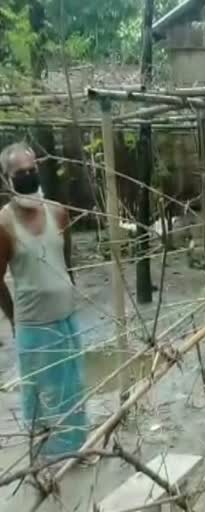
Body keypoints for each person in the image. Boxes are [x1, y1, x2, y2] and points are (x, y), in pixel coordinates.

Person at [0, 142, 88, 463]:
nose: (27, 176)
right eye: (19, 173)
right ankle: (46, 457)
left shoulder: (58, 212)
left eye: (31, 169)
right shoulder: (4, 224)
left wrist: (68, 293)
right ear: (6, 178)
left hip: (66, 318)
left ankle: (76, 450)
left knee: (72, 386)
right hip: (33, 325)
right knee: (41, 391)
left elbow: (66, 262)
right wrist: (15, 318)